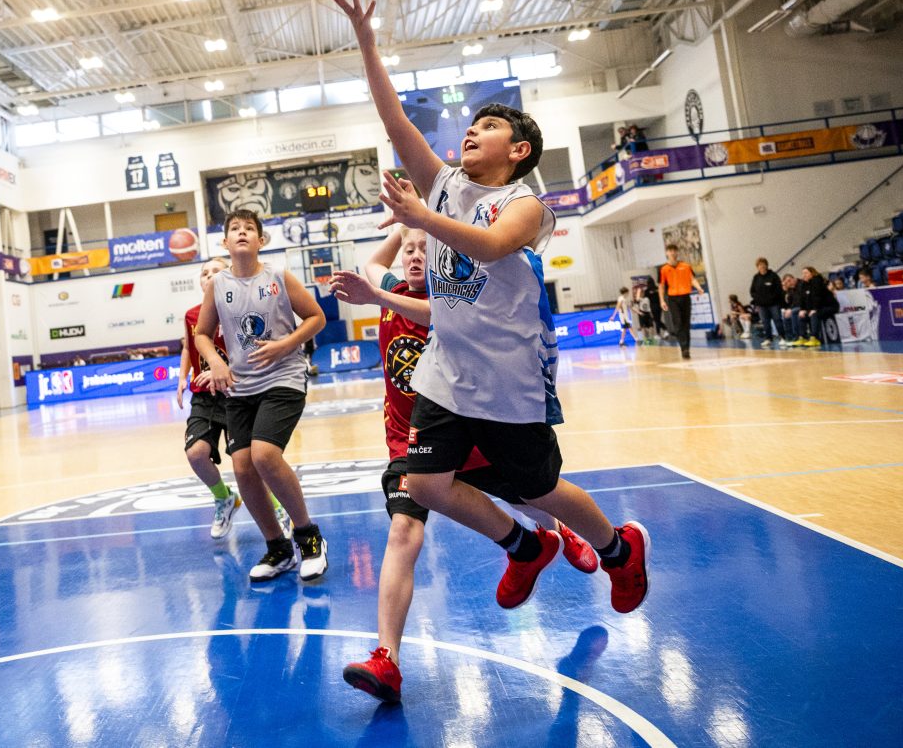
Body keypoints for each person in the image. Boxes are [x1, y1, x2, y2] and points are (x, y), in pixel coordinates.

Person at [333, 0, 650, 629]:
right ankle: (524, 546)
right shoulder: (444, 186)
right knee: (425, 485)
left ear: (519, 151)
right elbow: (395, 122)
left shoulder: (526, 206)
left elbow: (492, 245)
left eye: (489, 127)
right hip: (446, 369)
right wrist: (366, 40)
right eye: (471, 126)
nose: (472, 130)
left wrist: (422, 218)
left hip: (508, 375)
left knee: (539, 488)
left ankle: (620, 548)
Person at [331, 226, 597, 702]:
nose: (415, 257)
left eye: (424, 250)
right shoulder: (390, 289)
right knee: (403, 531)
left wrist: (408, 248)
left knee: (528, 495)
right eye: (408, 251)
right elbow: (374, 264)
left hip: (470, 433)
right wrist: (402, 226)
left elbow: (432, 308)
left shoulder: (456, 300)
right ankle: (386, 658)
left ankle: (560, 531)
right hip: (408, 446)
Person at [195, 210, 330, 583]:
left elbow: (316, 317)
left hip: (283, 378)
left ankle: (309, 538)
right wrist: (216, 363)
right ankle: (278, 548)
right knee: (242, 468)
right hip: (240, 386)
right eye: (234, 228)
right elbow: (202, 334)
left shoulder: (278, 276)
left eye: (249, 228)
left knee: (265, 455)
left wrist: (285, 345)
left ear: (261, 240)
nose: (242, 233)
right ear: (225, 242)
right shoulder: (217, 285)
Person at [179, 257, 246, 540]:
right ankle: (224, 497)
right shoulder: (191, 316)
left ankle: (277, 507)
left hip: (237, 394)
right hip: (204, 396)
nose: (209, 276)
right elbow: (188, 348)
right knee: (196, 454)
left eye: (216, 271)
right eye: (204, 273)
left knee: (247, 463)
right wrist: (182, 378)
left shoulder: (242, 309)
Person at [659, 244, 697, 359]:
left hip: (685, 297)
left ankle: (686, 349)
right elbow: (661, 286)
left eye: (674, 250)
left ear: (677, 252)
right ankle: (683, 348)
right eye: (670, 251)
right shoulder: (664, 269)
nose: (673, 253)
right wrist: (662, 301)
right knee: (678, 323)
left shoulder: (685, 266)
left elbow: (692, 279)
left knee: (686, 324)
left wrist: (699, 287)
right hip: (673, 299)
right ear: (666, 253)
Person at [749, 258, 785, 347]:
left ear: (766, 265)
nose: (761, 266)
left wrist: (771, 298)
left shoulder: (773, 276)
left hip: (773, 304)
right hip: (761, 305)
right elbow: (752, 291)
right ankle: (768, 339)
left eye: (763, 264)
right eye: (759, 265)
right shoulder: (756, 277)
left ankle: (782, 337)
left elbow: (778, 290)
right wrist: (758, 299)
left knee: (777, 320)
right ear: (757, 267)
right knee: (765, 322)